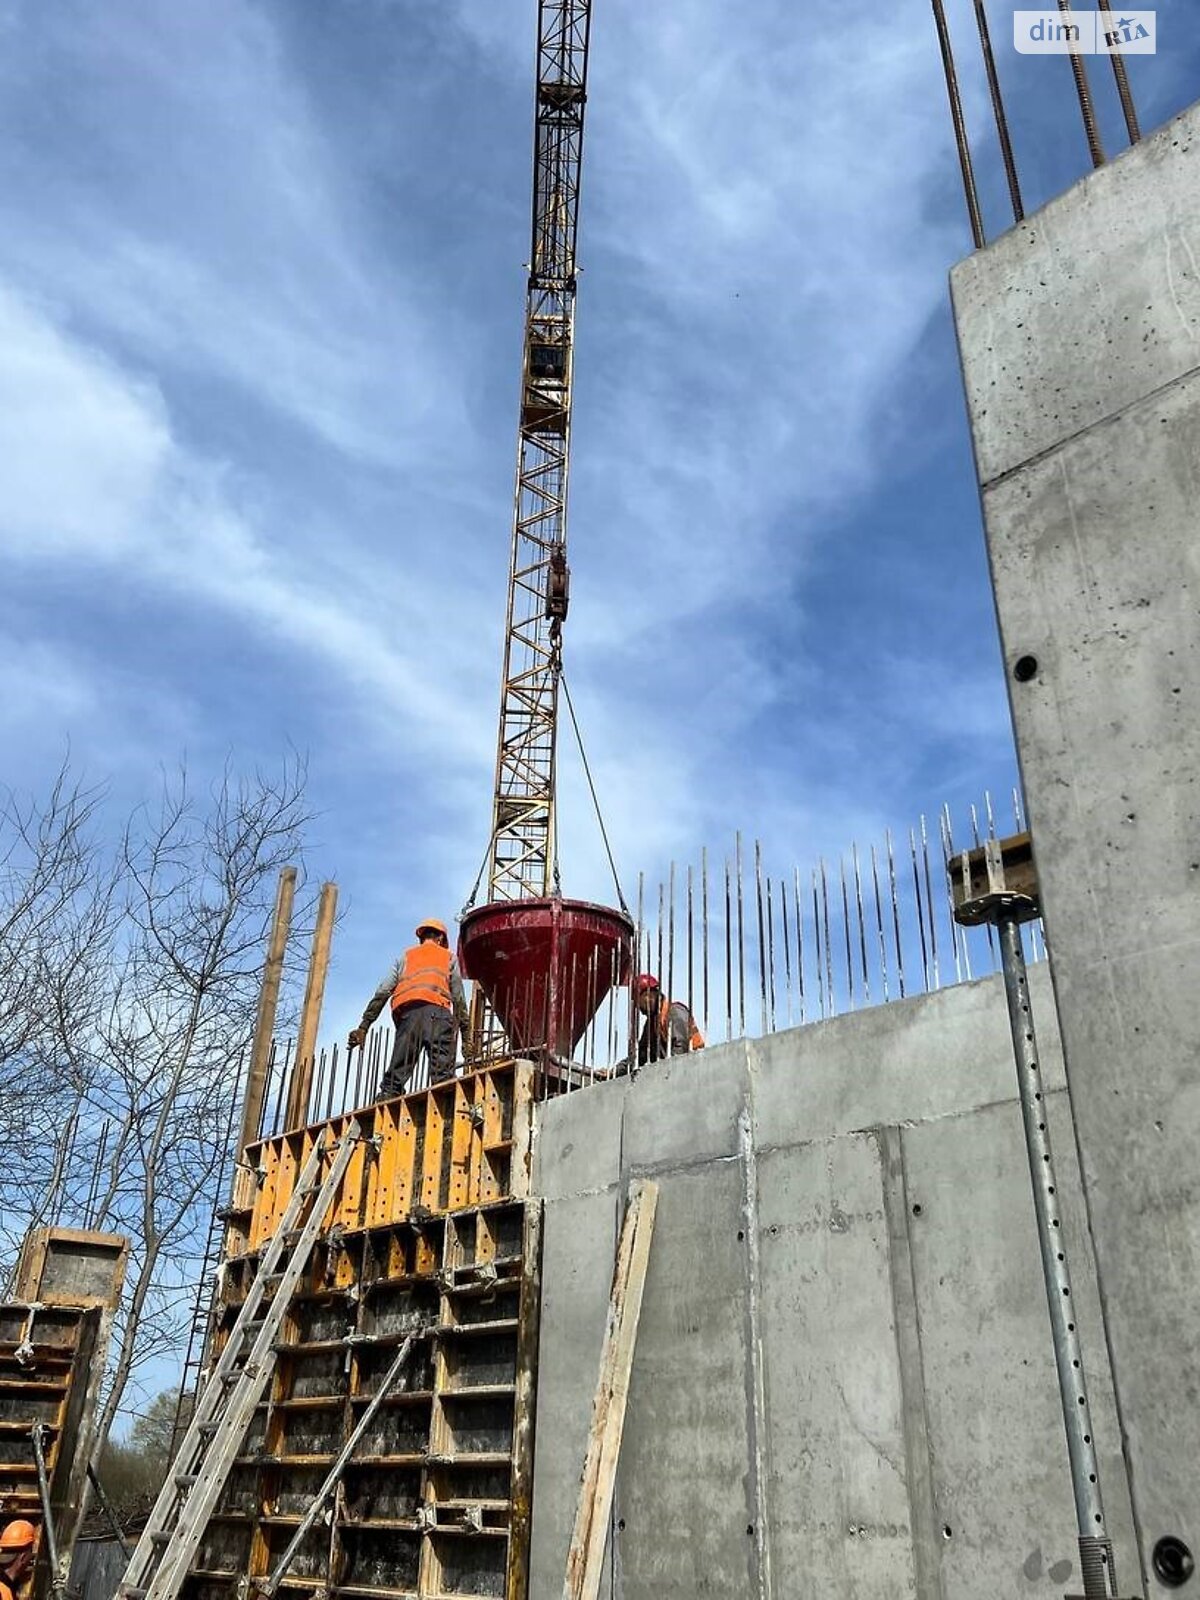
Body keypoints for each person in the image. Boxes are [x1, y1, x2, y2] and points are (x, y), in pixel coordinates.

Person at [348, 918, 471, 1096]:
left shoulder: (405, 957)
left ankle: (387, 1101)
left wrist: (364, 1027)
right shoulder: (449, 957)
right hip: (438, 1015)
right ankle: (445, 1108)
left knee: (396, 1074)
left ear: (421, 938)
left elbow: (382, 991)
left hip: (409, 1017)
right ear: (440, 939)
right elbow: (459, 999)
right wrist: (466, 1036)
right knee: (443, 1077)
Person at [612, 973, 704, 1074]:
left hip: (694, 1068)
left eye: (639, 1003)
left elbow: (680, 1048)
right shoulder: (652, 1024)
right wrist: (615, 1071)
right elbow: (641, 1054)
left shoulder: (674, 1011)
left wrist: (665, 1075)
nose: (639, 1009)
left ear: (648, 996)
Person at [0, 1520, 36, 1600]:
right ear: (23, 1557)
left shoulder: (9, 1586)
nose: (31, 1559)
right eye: (31, 1552)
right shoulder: (3, 1592)